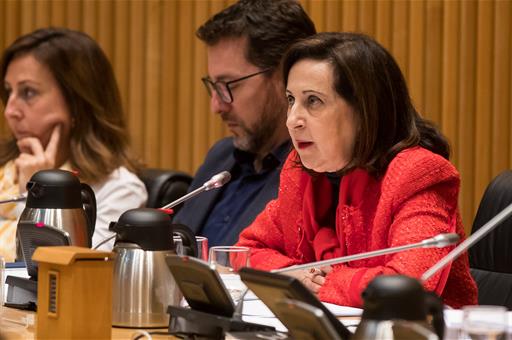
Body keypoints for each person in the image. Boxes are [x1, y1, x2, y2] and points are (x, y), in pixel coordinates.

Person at [237, 32, 478, 308]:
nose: (292, 121)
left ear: (364, 110)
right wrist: (297, 276)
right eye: (291, 100)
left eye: (313, 101)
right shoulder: (301, 173)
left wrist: (326, 284)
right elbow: (245, 250)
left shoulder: (418, 174)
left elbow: (408, 286)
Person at [173, 0, 316, 247]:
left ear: (286, 75)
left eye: (229, 85)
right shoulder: (220, 156)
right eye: (213, 87)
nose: (216, 106)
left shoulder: (317, 177)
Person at [0, 27, 147, 260]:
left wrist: (39, 196)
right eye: (9, 92)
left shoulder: (119, 190)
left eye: (28, 93)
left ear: (77, 102)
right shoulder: (5, 169)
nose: (10, 111)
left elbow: (76, 273)